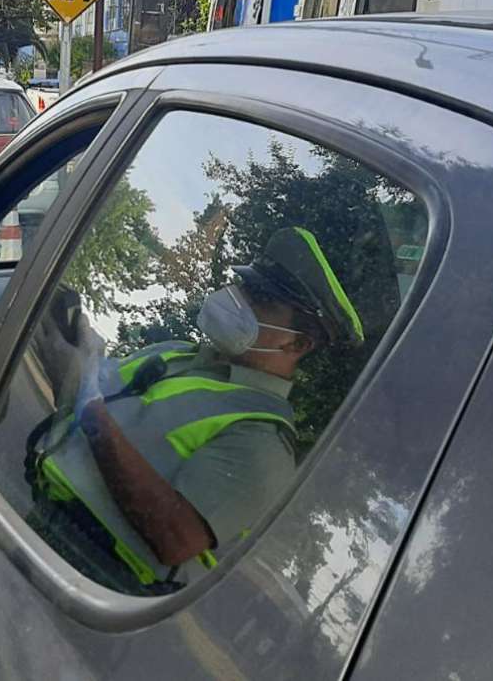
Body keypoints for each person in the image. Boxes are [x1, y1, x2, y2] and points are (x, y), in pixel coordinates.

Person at [28, 227, 363, 595]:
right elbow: (95, 394)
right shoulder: (178, 353)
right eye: (243, 286)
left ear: (297, 342)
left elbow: (176, 538)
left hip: (96, 580)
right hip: (40, 525)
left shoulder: (262, 442)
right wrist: (78, 352)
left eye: (260, 299)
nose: (236, 299)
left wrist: (88, 407)